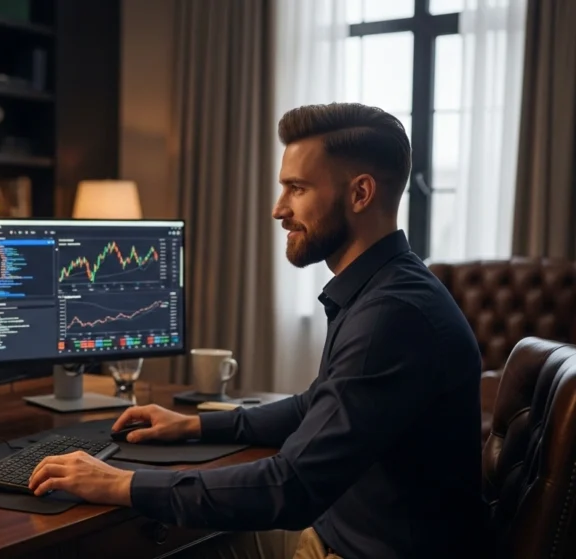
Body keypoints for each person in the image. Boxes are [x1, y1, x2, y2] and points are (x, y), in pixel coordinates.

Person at [27, 102, 484, 558]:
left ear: (360, 193)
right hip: (338, 534)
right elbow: (315, 407)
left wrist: (122, 482)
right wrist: (194, 425)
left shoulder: (391, 317)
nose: (278, 209)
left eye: (297, 188)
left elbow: (291, 487)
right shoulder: (385, 288)